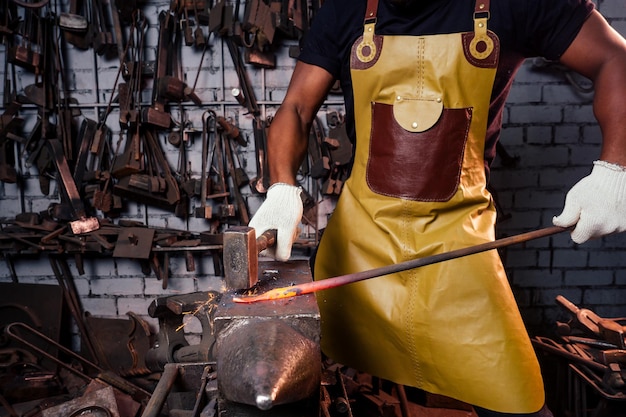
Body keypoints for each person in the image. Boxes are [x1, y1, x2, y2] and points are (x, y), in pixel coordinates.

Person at [248, 0, 626, 415]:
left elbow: (614, 57)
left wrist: (615, 167)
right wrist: (281, 187)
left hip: (458, 250)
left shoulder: (515, 4)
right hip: (360, 252)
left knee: (518, 400)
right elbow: (298, 109)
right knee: (332, 388)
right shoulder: (346, 10)